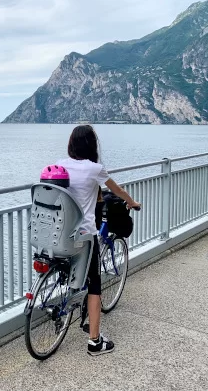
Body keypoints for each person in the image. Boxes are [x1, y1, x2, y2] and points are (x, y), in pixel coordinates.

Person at [57, 125, 141, 356]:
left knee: (71, 269)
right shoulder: (95, 169)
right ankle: (95, 342)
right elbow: (118, 190)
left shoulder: (60, 164)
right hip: (84, 236)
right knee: (95, 285)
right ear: (92, 145)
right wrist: (132, 202)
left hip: (59, 233)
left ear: (71, 144)